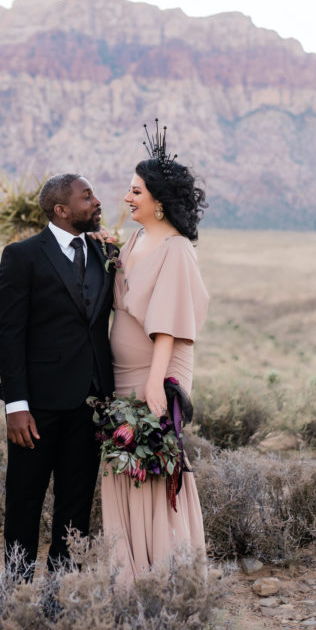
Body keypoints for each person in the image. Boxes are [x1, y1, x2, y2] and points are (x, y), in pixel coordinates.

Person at [100, 124, 209, 582]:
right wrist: (107, 249)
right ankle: (129, 567)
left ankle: (165, 570)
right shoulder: (136, 240)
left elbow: (168, 322)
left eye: (135, 191)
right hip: (122, 372)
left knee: (154, 464)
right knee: (122, 466)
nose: (128, 198)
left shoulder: (177, 250)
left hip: (154, 371)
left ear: (158, 200)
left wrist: (154, 382)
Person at [0, 173, 116, 580]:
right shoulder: (23, 255)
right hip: (38, 406)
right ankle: (16, 588)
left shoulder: (105, 253)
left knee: (76, 503)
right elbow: (9, 334)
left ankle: (60, 592)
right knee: (25, 499)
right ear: (61, 210)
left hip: (91, 401)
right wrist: (16, 404)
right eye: (87, 197)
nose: (96, 201)